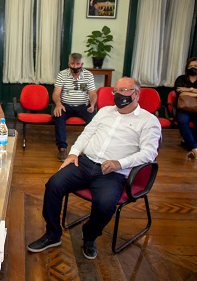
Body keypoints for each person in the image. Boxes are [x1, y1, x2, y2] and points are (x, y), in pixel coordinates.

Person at [27, 77, 161, 260]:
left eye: (123, 90)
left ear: (136, 94)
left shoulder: (148, 121)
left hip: (113, 173)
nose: (117, 95)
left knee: (105, 204)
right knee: (53, 185)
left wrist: (119, 163)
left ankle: (89, 235)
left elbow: (149, 153)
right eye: (115, 91)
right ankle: (52, 234)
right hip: (85, 163)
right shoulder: (105, 111)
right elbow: (87, 133)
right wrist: (73, 153)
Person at [53, 53, 97, 161]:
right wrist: (58, 104)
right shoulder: (62, 74)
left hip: (83, 105)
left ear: (81, 64)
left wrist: (92, 104)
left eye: (78, 64)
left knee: (94, 119)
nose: (75, 66)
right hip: (66, 105)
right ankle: (62, 148)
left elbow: (92, 93)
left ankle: (89, 149)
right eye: (73, 63)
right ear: (69, 63)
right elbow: (56, 93)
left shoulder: (88, 75)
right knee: (58, 116)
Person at [174, 57, 197, 159]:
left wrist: (187, 90)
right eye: (191, 66)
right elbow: (179, 91)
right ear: (187, 67)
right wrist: (195, 92)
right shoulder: (181, 78)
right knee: (182, 120)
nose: (193, 68)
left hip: (196, 108)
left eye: (195, 66)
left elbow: (183, 91)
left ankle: (192, 144)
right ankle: (194, 147)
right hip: (183, 107)